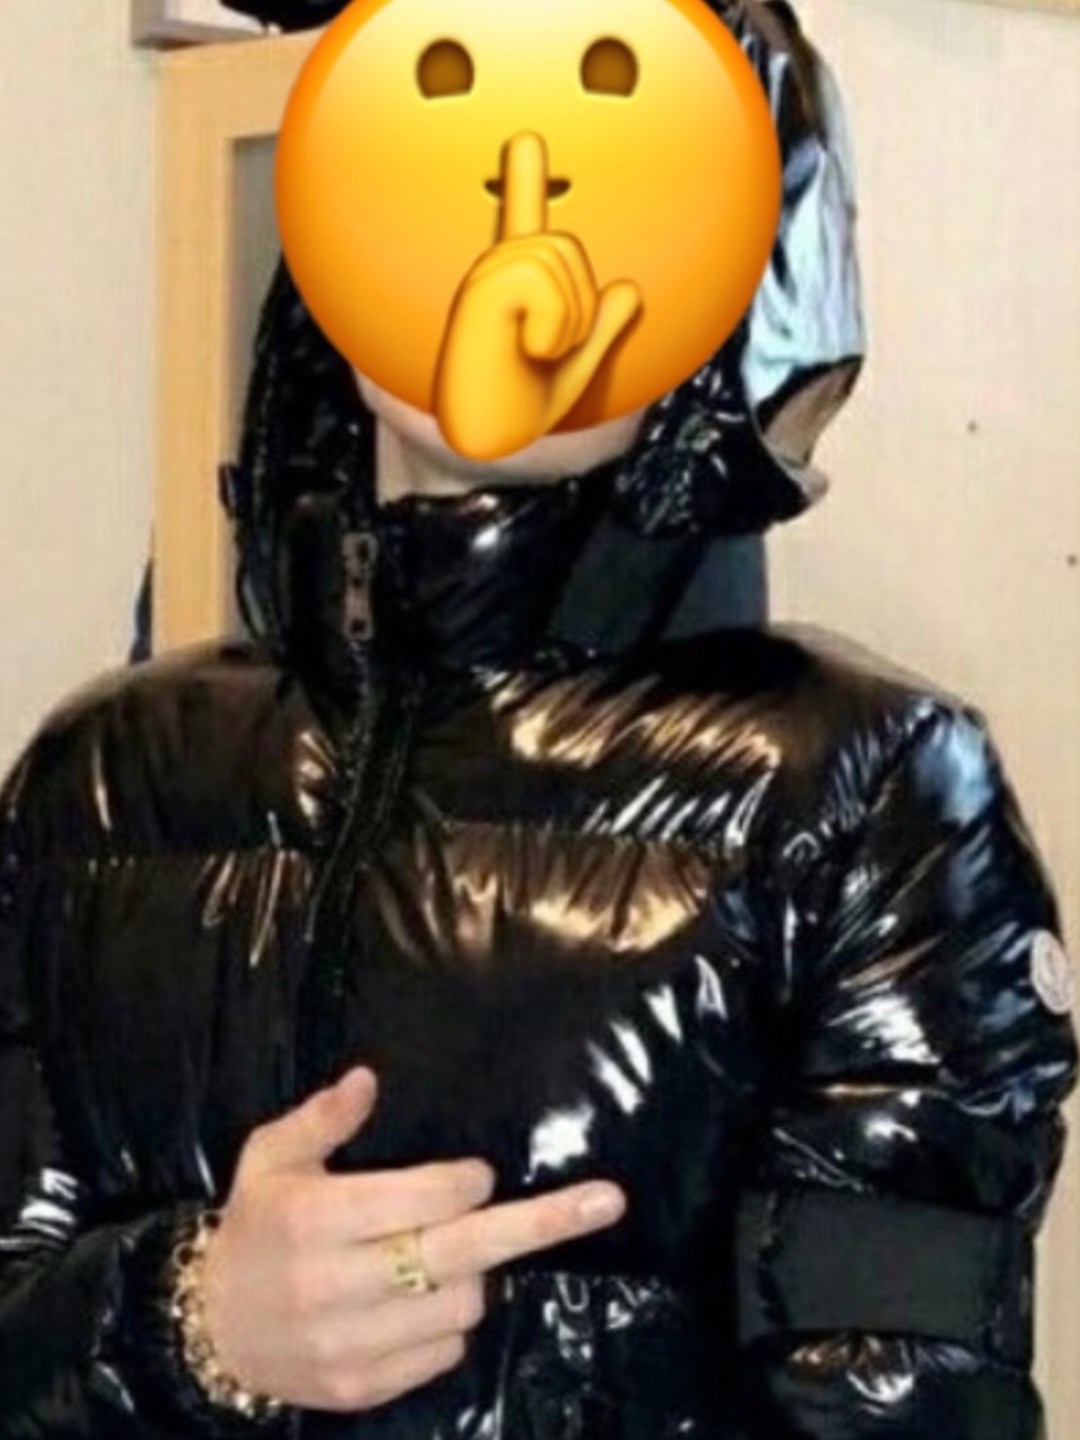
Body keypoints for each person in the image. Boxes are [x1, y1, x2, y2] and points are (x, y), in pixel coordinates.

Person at [0, 2, 1075, 1437]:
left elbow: (902, 1398)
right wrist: (185, 1318)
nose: (517, 200)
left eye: (613, 135)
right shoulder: (99, 780)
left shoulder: (868, 791)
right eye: (435, 106)